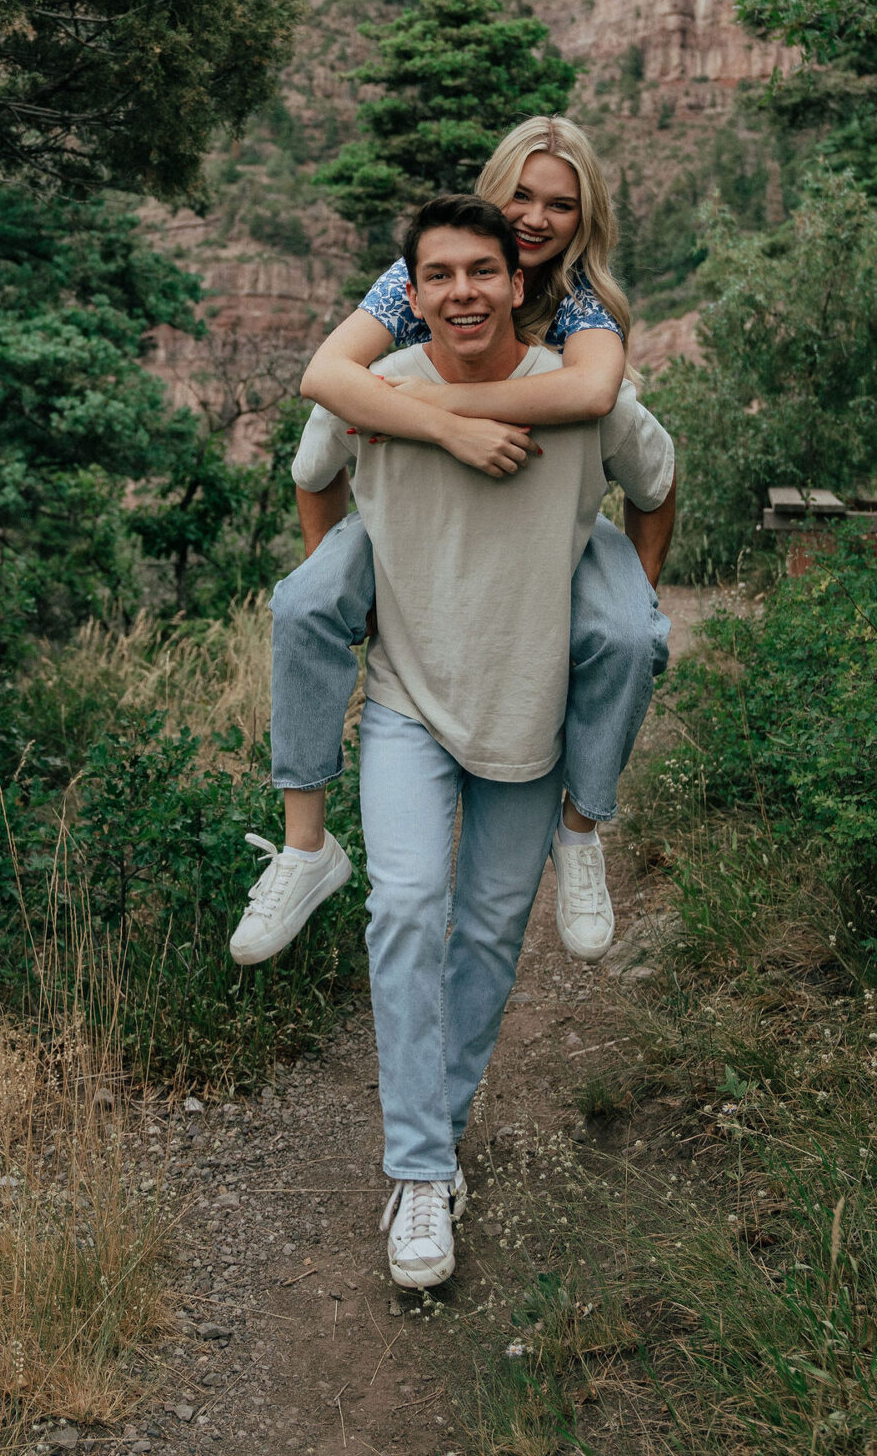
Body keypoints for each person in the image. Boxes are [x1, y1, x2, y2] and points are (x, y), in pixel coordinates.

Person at [285, 196, 676, 1285]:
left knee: (491, 936)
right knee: (406, 907)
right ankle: (417, 1173)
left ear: (520, 283)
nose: (463, 291)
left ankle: (437, 1136)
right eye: (440, 275)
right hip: (408, 703)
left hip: (529, 712)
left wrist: (625, 612)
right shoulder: (381, 391)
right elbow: (313, 473)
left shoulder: (586, 395)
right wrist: (347, 588)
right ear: (411, 298)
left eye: (483, 272)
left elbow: (658, 478)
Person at [230, 115, 673, 971]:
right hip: (411, 509)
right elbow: (326, 379)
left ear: (586, 222)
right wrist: (435, 440)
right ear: (492, 188)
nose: (538, 218)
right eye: (522, 195)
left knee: (629, 633)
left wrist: (430, 419)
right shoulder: (418, 275)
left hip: (548, 509)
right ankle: (305, 847)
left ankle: (580, 833)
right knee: (306, 600)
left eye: (562, 206)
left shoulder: (582, 300)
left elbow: (590, 396)